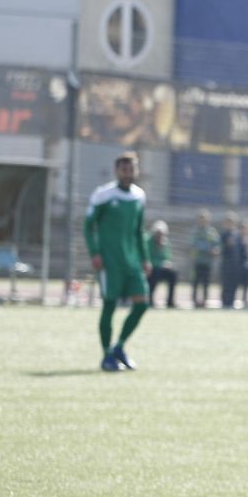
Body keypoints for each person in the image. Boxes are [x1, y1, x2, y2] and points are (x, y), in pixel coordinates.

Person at [85, 152, 151, 371]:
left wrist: (145, 258)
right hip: (110, 262)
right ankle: (106, 356)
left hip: (132, 262)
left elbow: (139, 230)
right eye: (124, 169)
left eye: (131, 168)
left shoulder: (139, 196)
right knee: (110, 305)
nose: (128, 172)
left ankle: (119, 347)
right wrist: (95, 252)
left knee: (142, 304)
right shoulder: (103, 195)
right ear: (117, 170)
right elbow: (88, 226)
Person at [219, 214, 248, 309]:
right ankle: (224, 303)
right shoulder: (223, 235)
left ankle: (231, 303)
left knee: (233, 286)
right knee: (226, 285)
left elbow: (242, 250)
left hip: (236, 265)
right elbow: (220, 249)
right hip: (226, 264)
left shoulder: (237, 235)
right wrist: (227, 245)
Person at [188, 208, 219, 308]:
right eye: (201, 219)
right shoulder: (195, 231)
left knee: (206, 282)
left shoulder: (211, 232)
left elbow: (217, 244)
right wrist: (207, 248)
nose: (203, 221)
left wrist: (216, 249)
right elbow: (193, 244)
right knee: (196, 281)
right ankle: (194, 300)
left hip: (208, 262)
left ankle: (204, 301)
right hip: (197, 261)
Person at [145, 220, 178, 308]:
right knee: (155, 273)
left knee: (173, 274)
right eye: (158, 233)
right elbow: (148, 258)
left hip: (162, 268)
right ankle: (150, 300)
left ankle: (170, 301)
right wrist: (160, 263)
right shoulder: (148, 242)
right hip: (152, 269)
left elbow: (167, 256)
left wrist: (167, 263)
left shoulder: (165, 242)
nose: (160, 235)